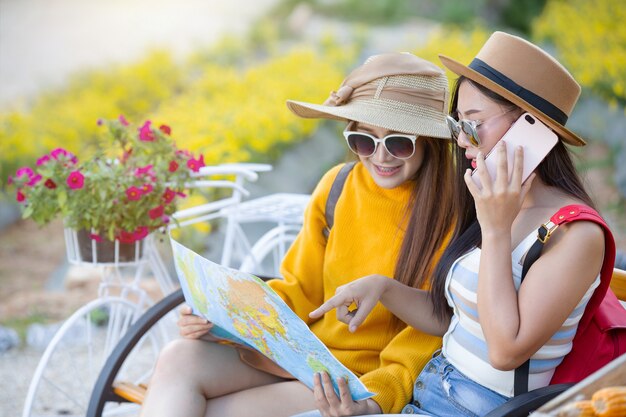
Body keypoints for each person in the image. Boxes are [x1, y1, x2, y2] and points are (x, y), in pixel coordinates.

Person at [139, 52, 456, 417]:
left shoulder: (450, 213)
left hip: (352, 382)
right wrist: (222, 322)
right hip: (304, 355)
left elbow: (430, 334)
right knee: (179, 356)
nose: (380, 157)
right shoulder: (337, 185)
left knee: (212, 411)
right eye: (363, 141)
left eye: (399, 143)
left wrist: (375, 399)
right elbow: (297, 290)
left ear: (430, 142)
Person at [309, 31, 608, 417]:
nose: (461, 142)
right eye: (457, 125)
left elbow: (505, 350)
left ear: (531, 128)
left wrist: (496, 230)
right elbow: (455, 320)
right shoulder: (497, 200)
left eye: (472, 124)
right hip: (425, 393)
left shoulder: (576, 233)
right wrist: (382, 288)